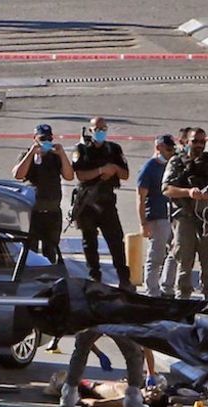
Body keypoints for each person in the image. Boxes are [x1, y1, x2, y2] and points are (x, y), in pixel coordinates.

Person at [162, 127, 208, 300]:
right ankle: (182, 300)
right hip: (184, 217)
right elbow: (167, 189)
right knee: (184, 263)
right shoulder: (177, 162)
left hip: (206, 219)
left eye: (202, 141)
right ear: (186, 142)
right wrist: (188, 192)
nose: (199, 145)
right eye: (195, 141)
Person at [71, 117, 133, 291]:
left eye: (103, 128)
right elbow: (80, 175)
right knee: (89, 243)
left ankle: (124, 279)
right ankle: (94, 278)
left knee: (116, 241)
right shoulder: (81, 149)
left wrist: (112, 168)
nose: (100, 132)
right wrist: (100, 171)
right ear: (90, 131)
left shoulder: (113, 149)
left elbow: (125, 174)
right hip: (88, 203)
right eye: (97, 129)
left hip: (106, 202)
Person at [12, 124, 73, 264]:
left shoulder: (55, 157)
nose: (46, 141)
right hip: (32, 212)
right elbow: (18, 175)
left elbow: (69, 176)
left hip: (52, 212)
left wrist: (62, 154)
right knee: (30, 250)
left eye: (49, 138)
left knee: (51, 250)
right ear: (35, 139)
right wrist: (31, 154)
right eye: (43, 138)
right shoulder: (27, 155)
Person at [60, 329, 149, 407]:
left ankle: (69, 395)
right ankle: (133, 399)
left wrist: (99, 354)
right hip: (115, 317)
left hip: (96, 316)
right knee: (133, 353)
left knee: (81, 349)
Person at [137, 134, 177, 297]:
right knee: (155, 256)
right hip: (155, 216)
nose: (171, 153)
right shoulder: (149, 168)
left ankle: (167, 286)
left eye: (172, 150)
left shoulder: (169, 166)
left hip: (170, 214)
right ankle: (152, 291)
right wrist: (143, 223)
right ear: (158, 148)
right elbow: (140, 198)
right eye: (168, 150)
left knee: (176, 252)